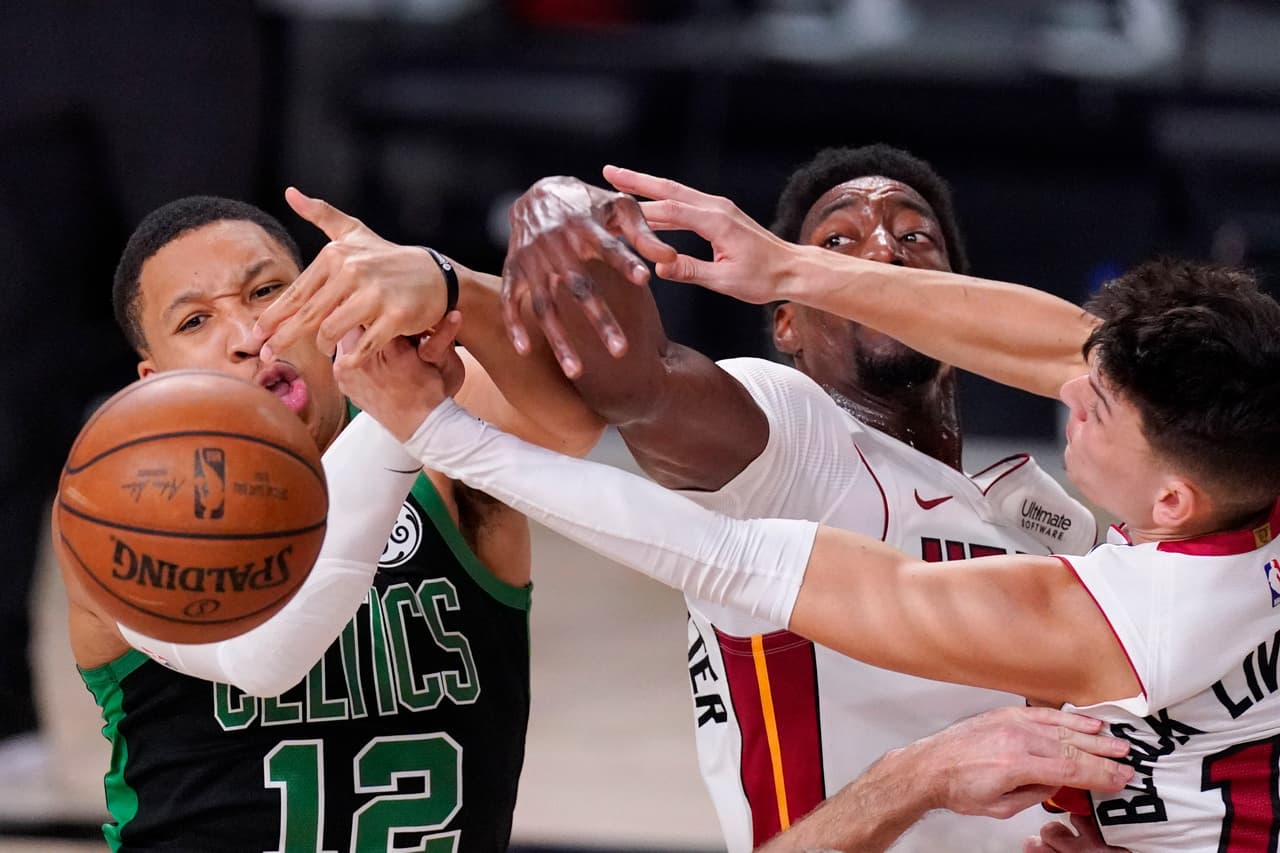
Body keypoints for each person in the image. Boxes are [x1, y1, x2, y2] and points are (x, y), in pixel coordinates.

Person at [338, 241, 1280, 851]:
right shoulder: (1247, 466)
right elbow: (1068, 345)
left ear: (1171, 497)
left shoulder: (1116, 619)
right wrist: (788, 267)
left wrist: (452, 436)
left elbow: (723, 556)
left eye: (1097, 407)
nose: (1068, 392)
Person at [490, 147, 1097, 852]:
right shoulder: (794, 437)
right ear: (786, 325)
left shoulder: (1057, 520)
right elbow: (639, 383)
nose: (882, 255)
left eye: (915, 239)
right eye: (839, 241)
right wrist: (562, 212)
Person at [58, 189, 603, 851]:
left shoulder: (438, 453)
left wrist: (448, 283)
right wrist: (402, 426)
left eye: (267, 292)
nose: (248, 335)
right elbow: (266, 659)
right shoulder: (114, 507)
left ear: (325, 301)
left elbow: (575, 416)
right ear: (154, 377)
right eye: (195, 321)